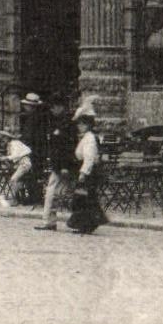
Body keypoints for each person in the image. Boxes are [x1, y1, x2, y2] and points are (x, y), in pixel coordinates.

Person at [34, 92, 75, 231]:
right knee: (58, 192)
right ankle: (51, 220)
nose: (51, 110)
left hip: (64, 165)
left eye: (53, 107)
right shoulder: (59, 121)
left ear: (60, 106)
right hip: (59, 164)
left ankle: (49, 221)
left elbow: (67, 147)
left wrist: (64, 166)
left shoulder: (67, 123)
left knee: (53, 192)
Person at [67, 103, 106, 235]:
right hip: (87, 170)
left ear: (88, 125)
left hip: (88, 171)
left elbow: (89, 158)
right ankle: (86, 224)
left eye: (82, 124)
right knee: (86, 199)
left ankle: (86, 224)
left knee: (83, 199)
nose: (79, 127)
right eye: (79, 124)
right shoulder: (87, 137)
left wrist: (83, 173)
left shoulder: (89, 138)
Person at [0, 130, 32, 209]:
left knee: (13, 179)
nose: (2, 140)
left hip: (24, 163)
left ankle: (16, 199)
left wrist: (6, 157)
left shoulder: (14, 143)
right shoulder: (10, 145)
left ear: (7, 138)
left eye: (3, 138)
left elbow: (15, 155)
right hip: (21, 164)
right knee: (19, 180)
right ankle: (20, 198)